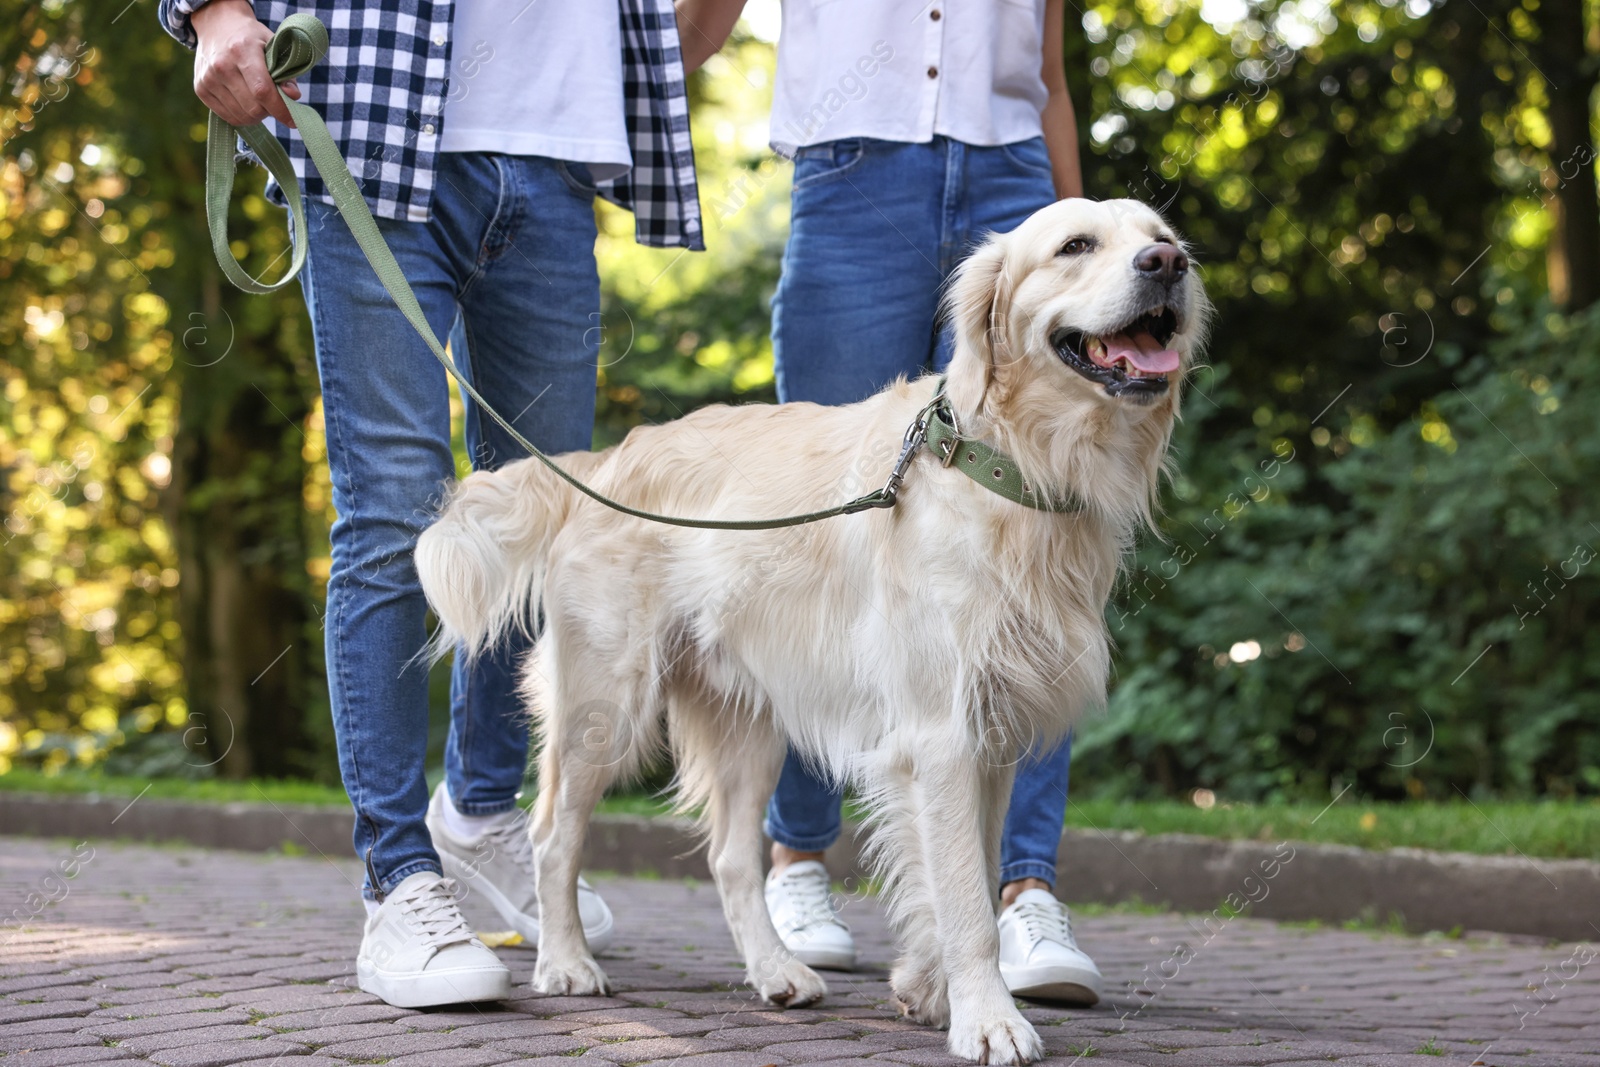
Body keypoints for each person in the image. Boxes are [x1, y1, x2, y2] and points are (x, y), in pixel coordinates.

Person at [162, 0, 704, 1008]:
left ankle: (482, 814)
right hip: (373, 124)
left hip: (554, 150)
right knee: (395, 519)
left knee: (548, 521)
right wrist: (213, 10)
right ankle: (398, 875)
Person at [677, 0, 1105, 1004]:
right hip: (851, 172)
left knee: (1044, 526)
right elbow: (699, 25)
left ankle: (1022, 885)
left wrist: (1080, 239)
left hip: (1012, 177)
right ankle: (797, 858)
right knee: (826, 531)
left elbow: (1046, 70)